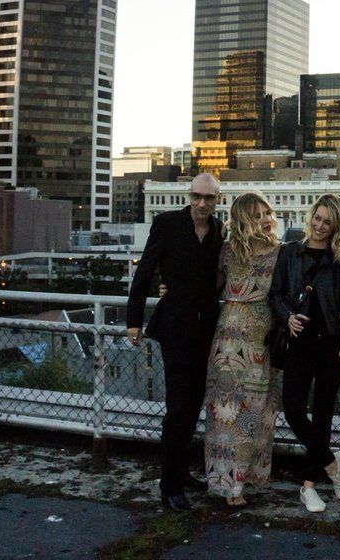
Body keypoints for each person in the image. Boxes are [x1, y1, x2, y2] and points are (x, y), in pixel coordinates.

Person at [126, 173, 223, 513]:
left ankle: (180, 471)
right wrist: (134, 320)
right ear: (189, 194)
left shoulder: (218, 230)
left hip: (205, 328)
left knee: (194, 405)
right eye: (196, 196)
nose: (201, 203)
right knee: (178, 407)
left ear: (218, 199)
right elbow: (145, 270)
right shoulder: (167, 223)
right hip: (175, 328)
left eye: (208, 198)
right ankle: (169, 486)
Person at [268, 194, 340, 514]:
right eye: (317, 218)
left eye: (327, 222)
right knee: (293, 411)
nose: (319, 226)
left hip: (330, 342)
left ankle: (309, 487)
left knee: (322, 415)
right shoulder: (289, 251)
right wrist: (286, 317)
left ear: (337, 226)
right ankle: (333, 464)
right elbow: (275, 294)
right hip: (299, 341)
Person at [203, 191, 282, 507]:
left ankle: (247, 479)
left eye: (268, 213)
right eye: (258, 215)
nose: (266, 220)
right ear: (244, 221)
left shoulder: (282, 252)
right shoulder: (226, 251)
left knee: (258, 411)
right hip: (229, 341)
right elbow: (207, 285)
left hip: (263, 340)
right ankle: (227, 486)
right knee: (226, 414)